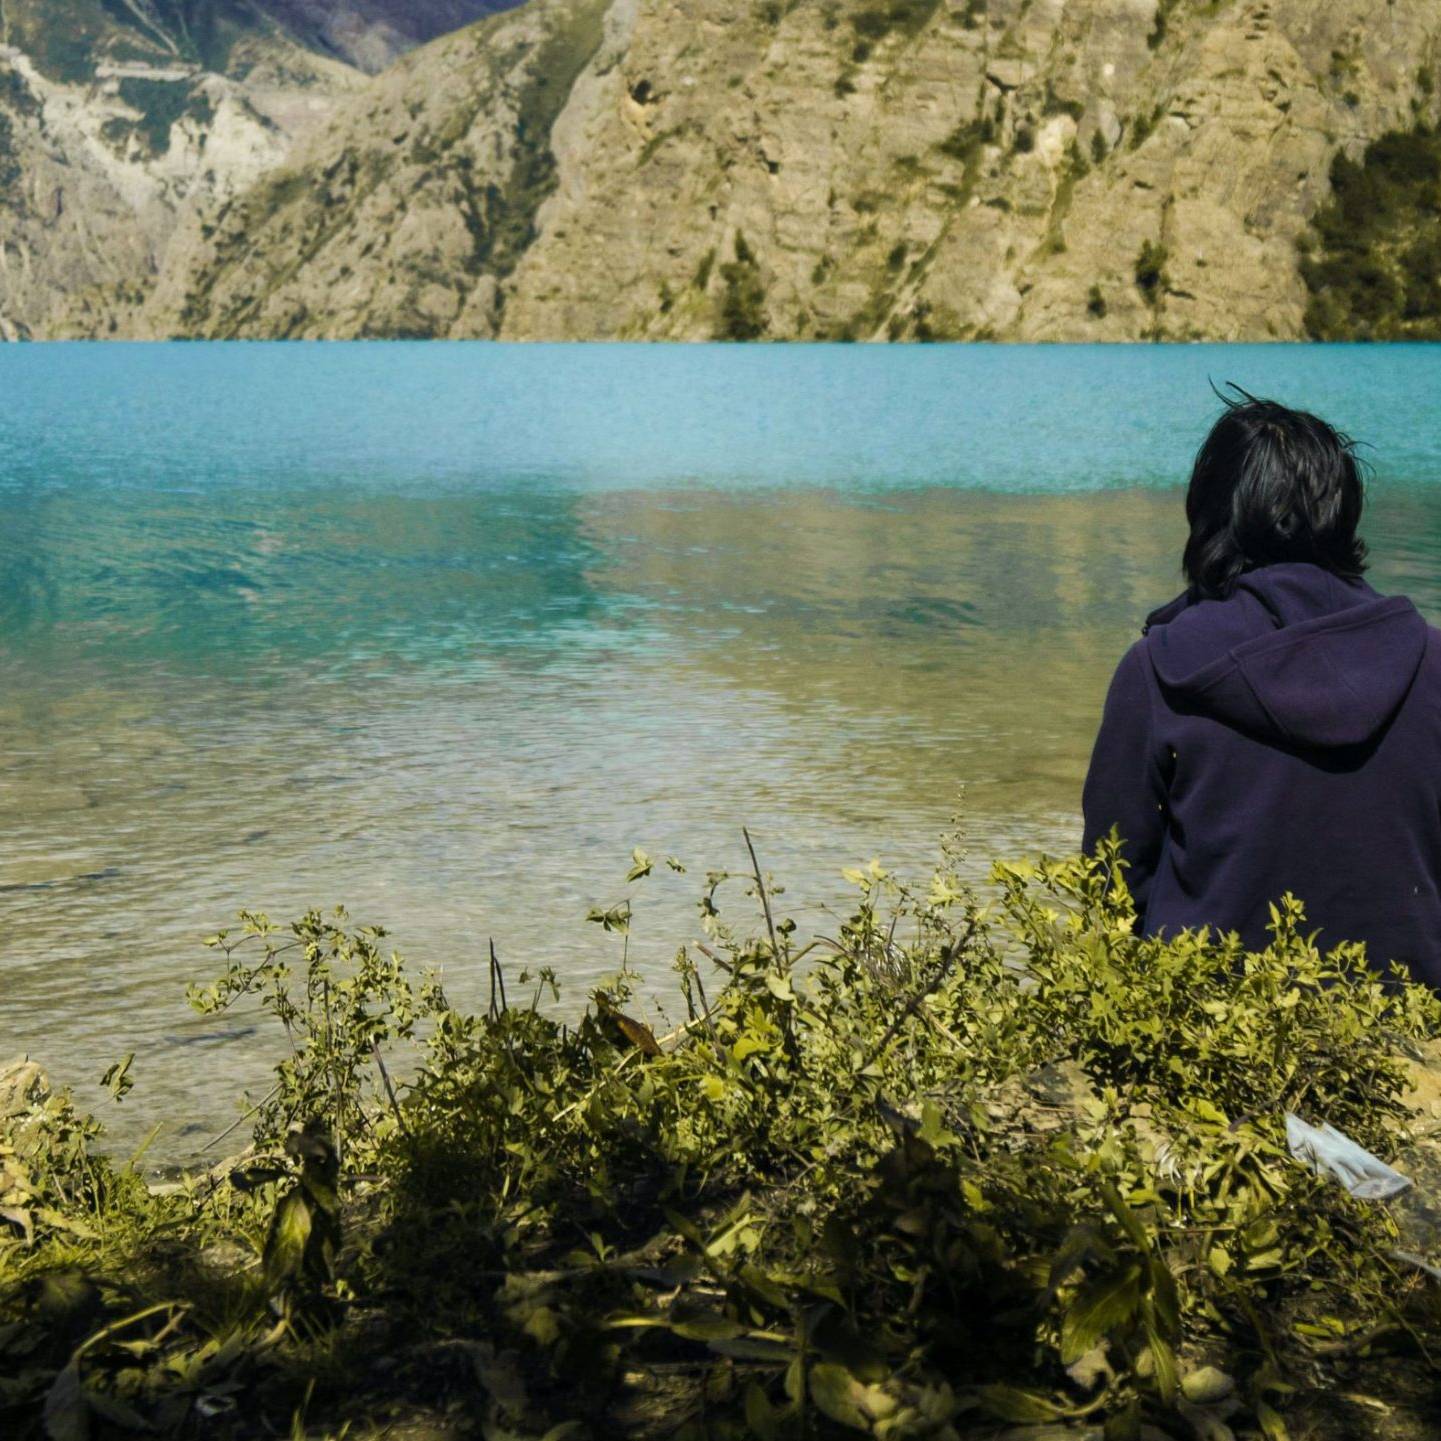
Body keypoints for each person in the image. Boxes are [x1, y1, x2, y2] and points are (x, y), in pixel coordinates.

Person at [1081, 386, 1441, 987]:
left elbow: (1113, 877)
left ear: (1209, 514)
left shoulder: (1160, 668)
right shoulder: (1431, 662)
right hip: (1410, 1018)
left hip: (1213, 1027)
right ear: (1343, 510)